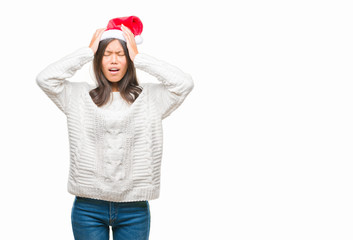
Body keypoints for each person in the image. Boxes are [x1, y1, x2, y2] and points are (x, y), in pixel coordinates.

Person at [35, 16, 194, 240]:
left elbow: (184, 84)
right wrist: (86, 52)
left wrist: (141, 57)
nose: (113, 61)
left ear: (129, 59)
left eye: (120, 54)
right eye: (107, 54)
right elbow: (45, 79)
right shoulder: (78, 96)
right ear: (98, 59)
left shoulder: (149, 98)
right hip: (88, 208)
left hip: (134, 209)